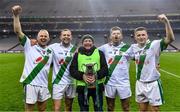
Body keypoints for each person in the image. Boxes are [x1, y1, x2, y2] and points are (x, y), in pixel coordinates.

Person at [128, 14, 174, 111]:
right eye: (138, 35)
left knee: (155, 110)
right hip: (140, 83)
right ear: (135, 37)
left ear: (147, 35)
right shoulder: (133, 48)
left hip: (153, 83)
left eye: (143, 35)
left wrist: (166, 21)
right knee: (142, 110)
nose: (141, 37)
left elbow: (170, 39)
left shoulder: (155, 45)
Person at [12, 5, 53, 111]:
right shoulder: (29, 45)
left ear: (48, 39)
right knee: (29, 110)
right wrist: (16, 16)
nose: (43, 38)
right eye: (41, 36)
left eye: (45, 36)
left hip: (43, 84)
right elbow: (18, 31)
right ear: (37, 37)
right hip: (31, 83)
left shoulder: (51, 51)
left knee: (42, 109)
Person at [70, 34, 108, 111]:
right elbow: (72, 70)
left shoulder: (99, 53)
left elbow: (105, 69)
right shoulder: (77, 54)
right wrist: (82, 76)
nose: (88, 42)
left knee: (99, 109)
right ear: (82, 43)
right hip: (82, 87)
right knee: (84, 110)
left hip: (97, 87)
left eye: (89, 41)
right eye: (85, 41)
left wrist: (96, 75)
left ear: (93, 43)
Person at [99, 26, 131, 111]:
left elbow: (139, 57)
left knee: (126, 108)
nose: (116, 35)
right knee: (110, 107)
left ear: (121, 36)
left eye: (118, 33)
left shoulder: (129, 48)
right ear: (110, 36)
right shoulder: (104, 47)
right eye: (114, 33)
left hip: (124, 83)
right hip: (109, 82)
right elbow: (92, 53)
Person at [49, 29, 76, 111]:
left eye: (68, 35)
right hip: (58, 81)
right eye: (64, 35)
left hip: (71, 81)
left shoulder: (75, 49)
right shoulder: (53, 47)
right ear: (60, 37)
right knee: (57, 108)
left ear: (71, 37)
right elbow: (42, 49)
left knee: (68, 107)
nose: (66, 37)